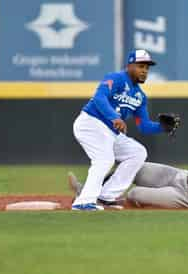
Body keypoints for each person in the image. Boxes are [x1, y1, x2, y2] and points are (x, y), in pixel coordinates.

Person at [71, 49, 179, 211]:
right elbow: (100, 97)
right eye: (140, 66)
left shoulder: (140, 97)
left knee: (137, 152)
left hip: (110, 132)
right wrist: (114, 117)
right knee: (104, 160)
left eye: (147, 68)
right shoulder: (116, 78)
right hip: (91, 123)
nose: (144, 71)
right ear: (129, 66)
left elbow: (144, 126)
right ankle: (83, 202)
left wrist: (162, 127)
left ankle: (106, 195)